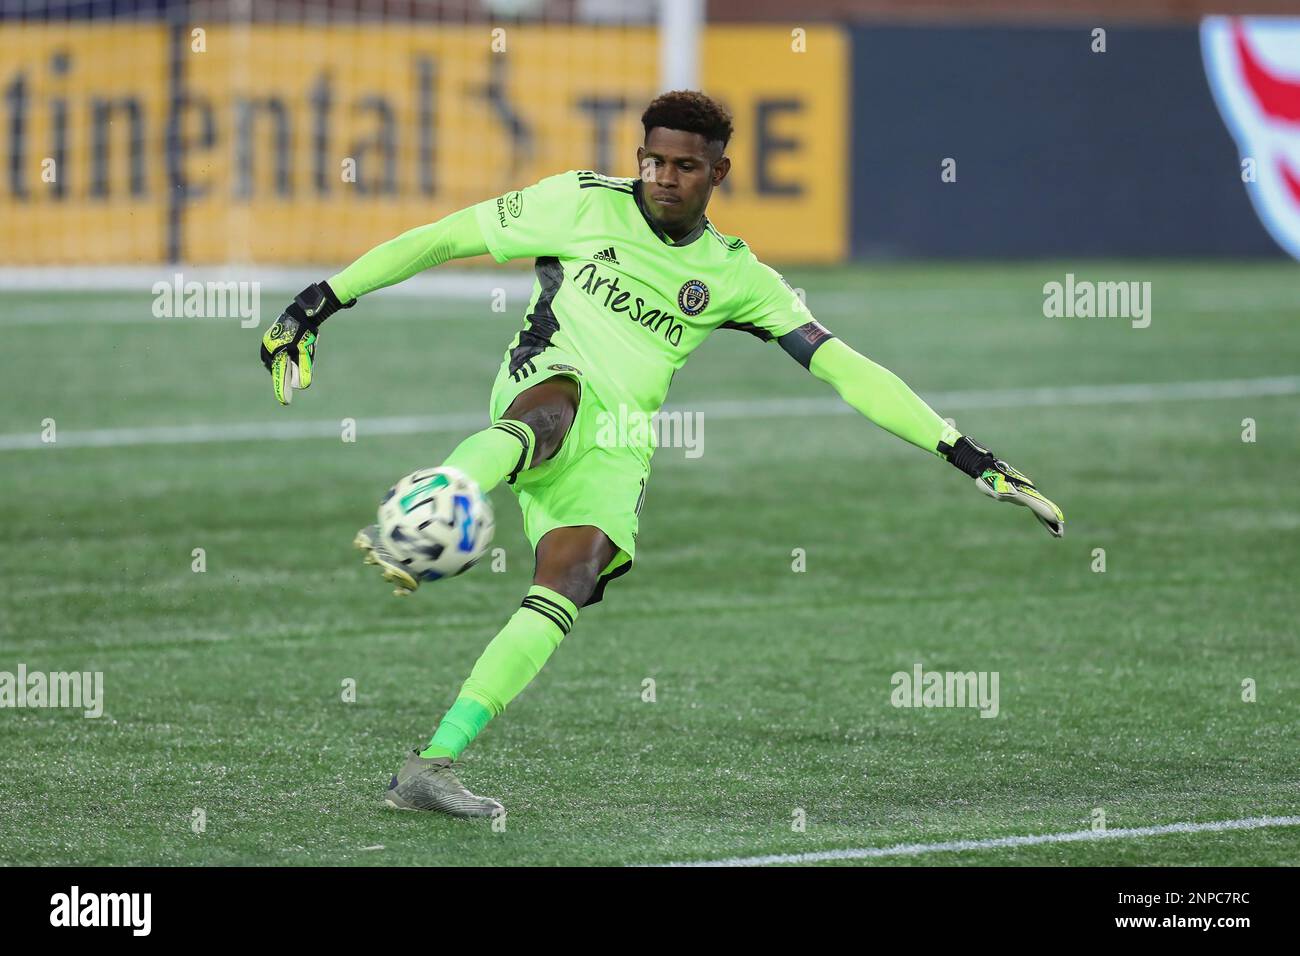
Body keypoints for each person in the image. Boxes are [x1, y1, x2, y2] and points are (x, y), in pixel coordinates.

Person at [259, 90, 1064, 818]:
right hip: (543, 382)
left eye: (684, 165)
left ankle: (430, 767)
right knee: (554, 408)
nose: (663, 177)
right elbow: (443, 238)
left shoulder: (736, 274)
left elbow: (844, 367)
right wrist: (315, 304)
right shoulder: (576, 201)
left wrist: (965, 454)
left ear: (719, 170)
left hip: (621, 443)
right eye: (652, 160)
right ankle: (444, 492)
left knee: (569, 581)